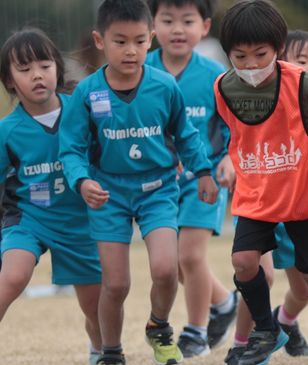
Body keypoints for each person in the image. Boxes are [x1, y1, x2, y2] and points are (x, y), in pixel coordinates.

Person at [58, 0, 219, 364]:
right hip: (107, 195)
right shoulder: (86, 93)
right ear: (100, 41)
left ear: (150, 40)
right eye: (119, 41)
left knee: (165, 270)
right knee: (116, 285)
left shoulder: (164, 86)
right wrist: (81, 181)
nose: (130, 51)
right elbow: (71, 149)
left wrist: (205, 172)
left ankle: (158, 326)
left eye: (138, 41)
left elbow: (187, 135)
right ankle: (110, 352)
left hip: (158, 190)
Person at [215, 1, 308, 364]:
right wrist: (221, 163)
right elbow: (231, 137)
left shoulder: (302, 84)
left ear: (278, 49)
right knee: (244, 261)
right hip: (256, 196)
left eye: (260, 54)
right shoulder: (223, 88)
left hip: (303, 197)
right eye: (240, 56)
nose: (250, 65)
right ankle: (265, 330)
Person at [0, 28, 102, 365]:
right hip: (29, 219)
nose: (37, 75)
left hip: (81, 224)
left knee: (95, 309)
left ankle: (101, 351)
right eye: (24, 69)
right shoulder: (7, 131)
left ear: (57, 68)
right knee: (12, 277)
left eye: (44, 65)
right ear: (10, 81)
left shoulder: (84, 108)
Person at [145, 0, 238, 358]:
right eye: (168, 20)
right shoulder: (142, 71)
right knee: (175, 263)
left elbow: (236, 128)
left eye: (187, 20)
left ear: (205, 26)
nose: (178, 29)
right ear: (153, 26)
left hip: (206, 179)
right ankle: (224, 302)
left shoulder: (216, 76)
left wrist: (230, 157)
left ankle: (196, 332)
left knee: (190, 256)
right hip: (157, 186)